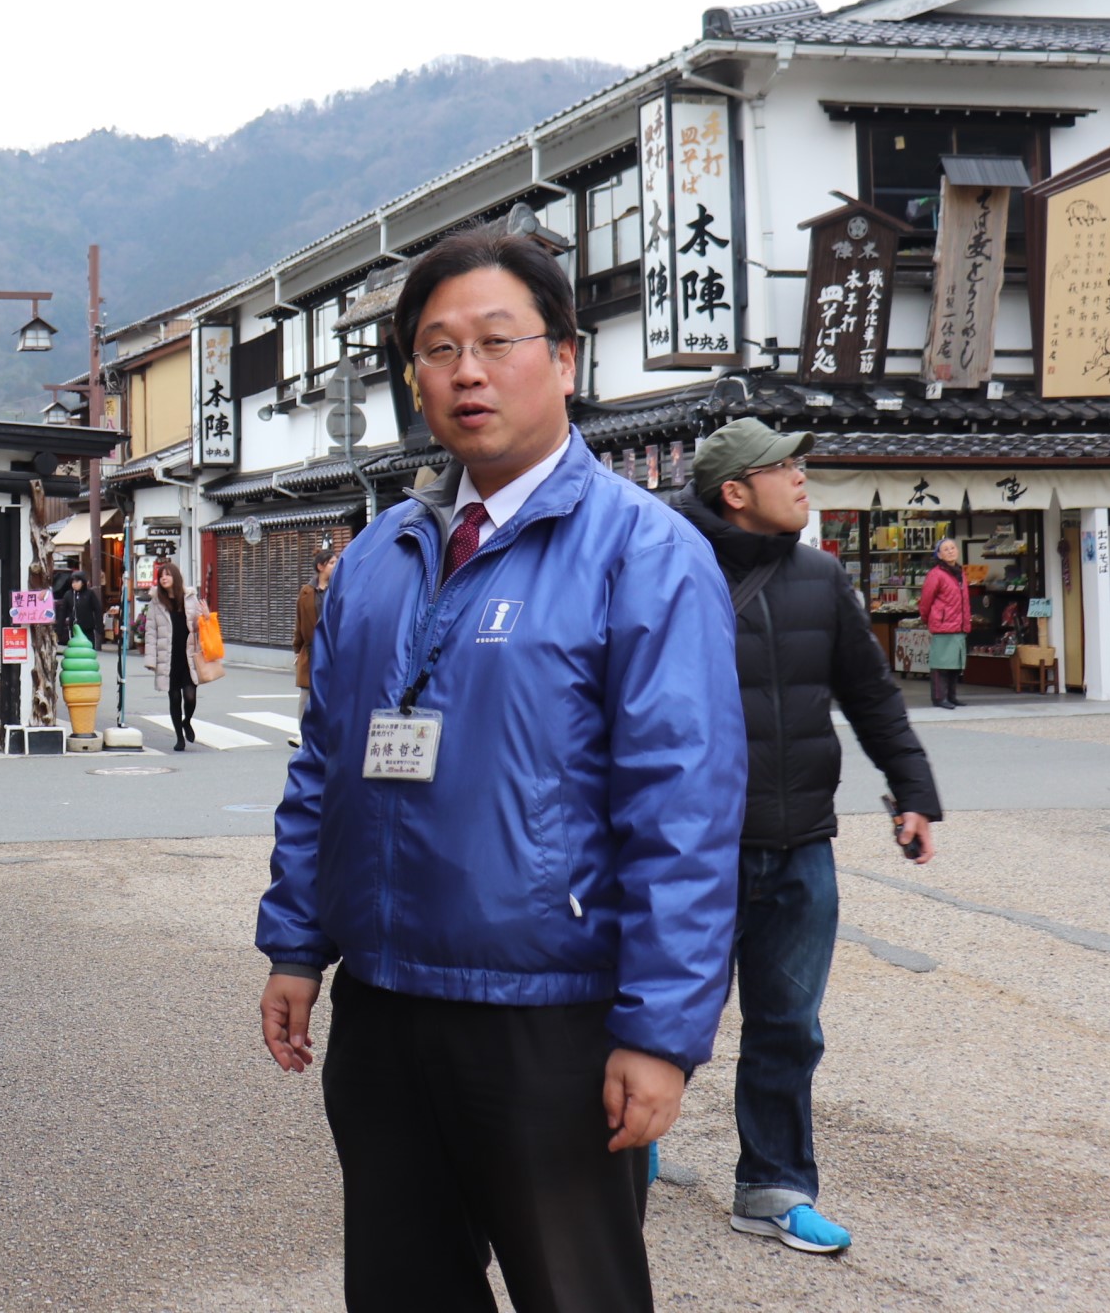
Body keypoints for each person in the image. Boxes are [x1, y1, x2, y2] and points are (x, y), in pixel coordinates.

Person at [256, 223, 745, 1313]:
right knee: (401, 1291)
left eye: (495, 339)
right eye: (436, 348)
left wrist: (661, 1034)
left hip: (551, 1018)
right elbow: (326, 763)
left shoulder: (645, 553)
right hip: (384, 1007)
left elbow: (686, 809)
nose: (466, 371)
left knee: (577, 1294)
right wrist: (298, 942)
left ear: (565, 357)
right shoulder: (381, 556)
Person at [676, 418, 943, 1258]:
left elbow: (871, 697)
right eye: (784, 468)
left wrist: (915, 792)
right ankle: (626, 1150)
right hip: (692, 849)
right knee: (669, 1015)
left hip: (802, 844)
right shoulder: (667, 571)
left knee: (790, 1025)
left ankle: (773, 1185)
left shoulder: (821, 578)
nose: (801, 480)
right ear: (735, 491)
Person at [144, 557, 205, 751]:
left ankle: (187, 721)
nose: (164, 578)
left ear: (175, 577)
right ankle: (179, 736)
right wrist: (150, 659)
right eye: (161, 576)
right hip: (167, 656)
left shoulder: (189, 597)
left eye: (168, 574)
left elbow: (198, 626)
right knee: (174, 698)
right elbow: (151, 630)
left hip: (188, 655)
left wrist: (205, 615)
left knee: (190, 697)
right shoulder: (156, 602)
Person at [288, 543, 340, 748]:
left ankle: (330, 733)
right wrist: (296, 648)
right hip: (311, 649)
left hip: (334, 649)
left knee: (333, 692)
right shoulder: (307, 592)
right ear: (321, 567)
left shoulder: (340, 588)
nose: (336, 566)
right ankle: (303, 733)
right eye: (332, 563)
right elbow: (300, 622)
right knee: (307, 693)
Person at [918, 538, 972, 708]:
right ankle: (939, 698)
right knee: (941, 664)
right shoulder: (936, 574)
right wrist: (928, 619)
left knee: (955, 664)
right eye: (945, 549)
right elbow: (926, 601)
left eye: (952, 548)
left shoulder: (960, 573)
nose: (950, 551)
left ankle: (951, 696)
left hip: (959, 625)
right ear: (939, 555)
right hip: (943, 625)